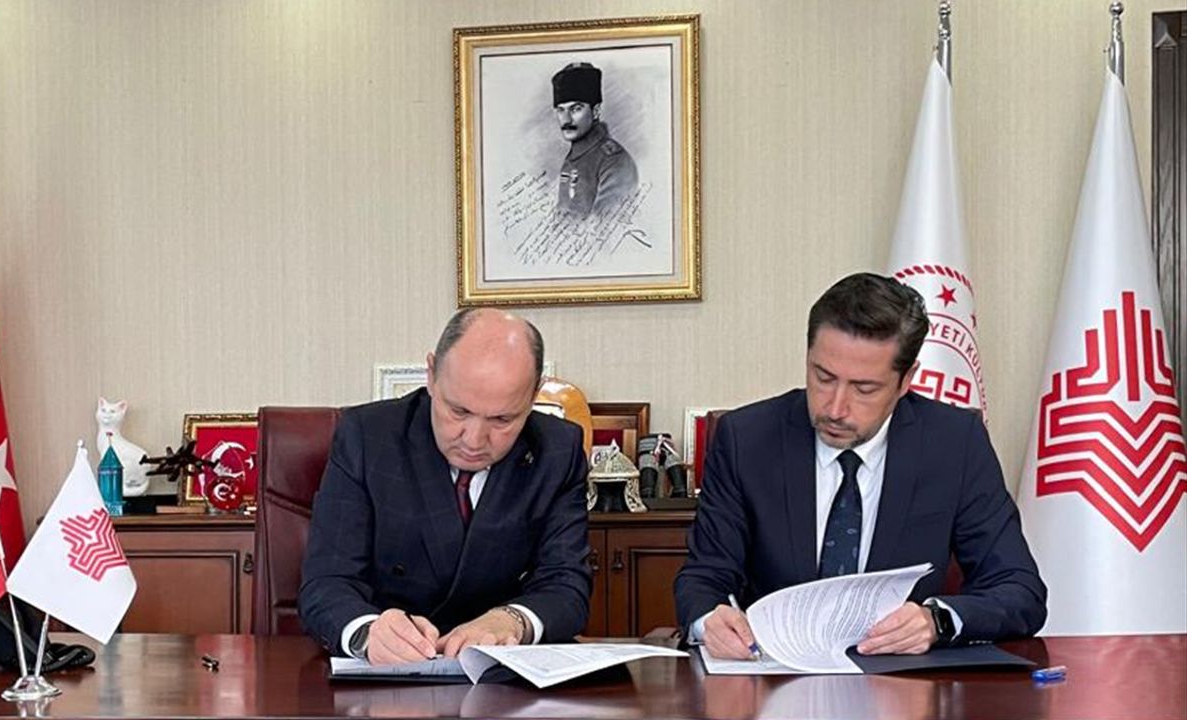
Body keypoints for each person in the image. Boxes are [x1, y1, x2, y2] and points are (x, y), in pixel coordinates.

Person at [675, 272, 1046, 659]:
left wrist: (936, 621)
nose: (835, 408)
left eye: (864, 388)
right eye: (823, 377)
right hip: (773, 675)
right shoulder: (746, 440)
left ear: (906, 380)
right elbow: (704, 576)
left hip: (902, 681)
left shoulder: (954, 443)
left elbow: (1019, 589)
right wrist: (709, 621)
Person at [299, 308, 591, 665]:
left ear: (534, 395)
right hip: (387, 673)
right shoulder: (367, 437)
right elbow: (327, 582)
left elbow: (566, 585)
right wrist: (367, 633)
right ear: (432, 375)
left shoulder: (558, 450)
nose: (474, 439)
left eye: (502, 419)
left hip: (501, 675)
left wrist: (513, 620)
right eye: (458, 411)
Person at [551, 62, 639, 219]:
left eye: (576, 109)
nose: (566, 119)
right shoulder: (574, 157)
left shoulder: (614, 161)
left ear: (596, 111)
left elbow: (607, 227)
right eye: (561, 110)